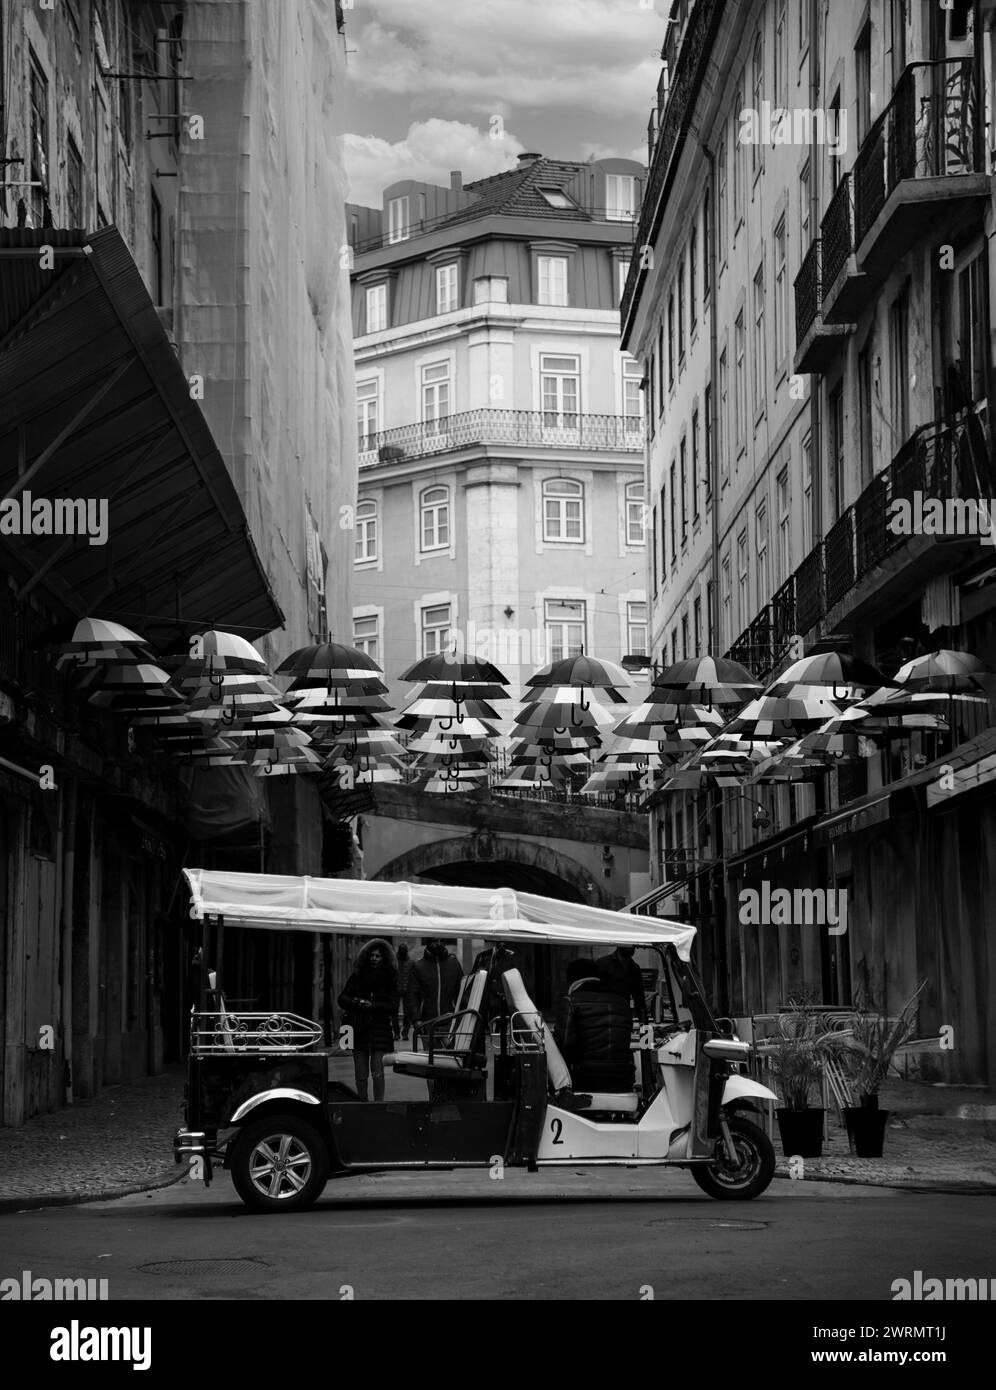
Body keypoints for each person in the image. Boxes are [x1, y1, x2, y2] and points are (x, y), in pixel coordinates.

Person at [554, 959, 635, 1093]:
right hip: (623, 1079)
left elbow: (564, 1047)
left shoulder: (570, 1002)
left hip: (585, 1080)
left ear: (571, 980)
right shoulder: (622, 1002)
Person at [337, 938, 399, 1101]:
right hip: (358, 1030)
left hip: (380, 1031)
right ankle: (362, 1103)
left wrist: (373, 1006)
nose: (374, 958)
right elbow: (342, 998)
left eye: (378, 956)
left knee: (378, 1072)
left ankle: (378, 1105)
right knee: (360, 1073)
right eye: (372, 955)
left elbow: (393, 1006)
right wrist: (356, 1003)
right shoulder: (358, 975)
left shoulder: (390, 978)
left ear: (384, 958)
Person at [406, 938, 463, 1050]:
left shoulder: (454, 964)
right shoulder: (419, 966)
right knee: (431, 1060)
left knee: (453, 1059)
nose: (439, 944)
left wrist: (461, 1015)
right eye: (435, 941)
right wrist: (416, 1019)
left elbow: (461, 991)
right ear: (428, 943)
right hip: (427, 1022)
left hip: (450, 1021)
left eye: (442, 941)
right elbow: (412, 995)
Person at [595, 943, 648, 1022]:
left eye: (633, 946)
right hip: (604, 1015)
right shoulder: (603, 964)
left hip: (623, 1015)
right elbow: (595, 992)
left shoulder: (634, 968)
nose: (633, 948)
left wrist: (644, 1023)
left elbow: (639, 997)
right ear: (620, 945)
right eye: (630, 945)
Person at [395, 942, 415, 1041]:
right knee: (394, 1011)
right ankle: (397, 1033)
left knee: (408, 1013)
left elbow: (413, 977)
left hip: (408, 989)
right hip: (396, 989)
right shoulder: (394, 962)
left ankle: (405, 1032)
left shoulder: (411, 962)